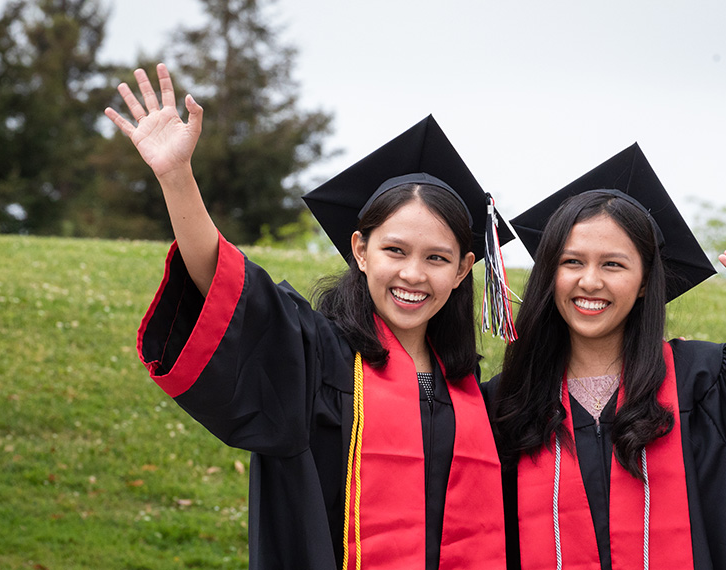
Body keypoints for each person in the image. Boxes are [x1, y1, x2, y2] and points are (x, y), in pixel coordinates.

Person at [107, 64, 514, 570]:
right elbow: (227, 286)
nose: (413, 274)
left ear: (462, 270)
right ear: (361, 251)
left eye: (436, 258)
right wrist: (176, 178)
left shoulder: (473, 391)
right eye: (395, 250)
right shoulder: (314, 359)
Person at [489, 144, 726, 570]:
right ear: (550, 273)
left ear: (643, 281)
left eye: (614, 265)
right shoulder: (508, 406)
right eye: (572, 261)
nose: (590, 280)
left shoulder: (710, 383)